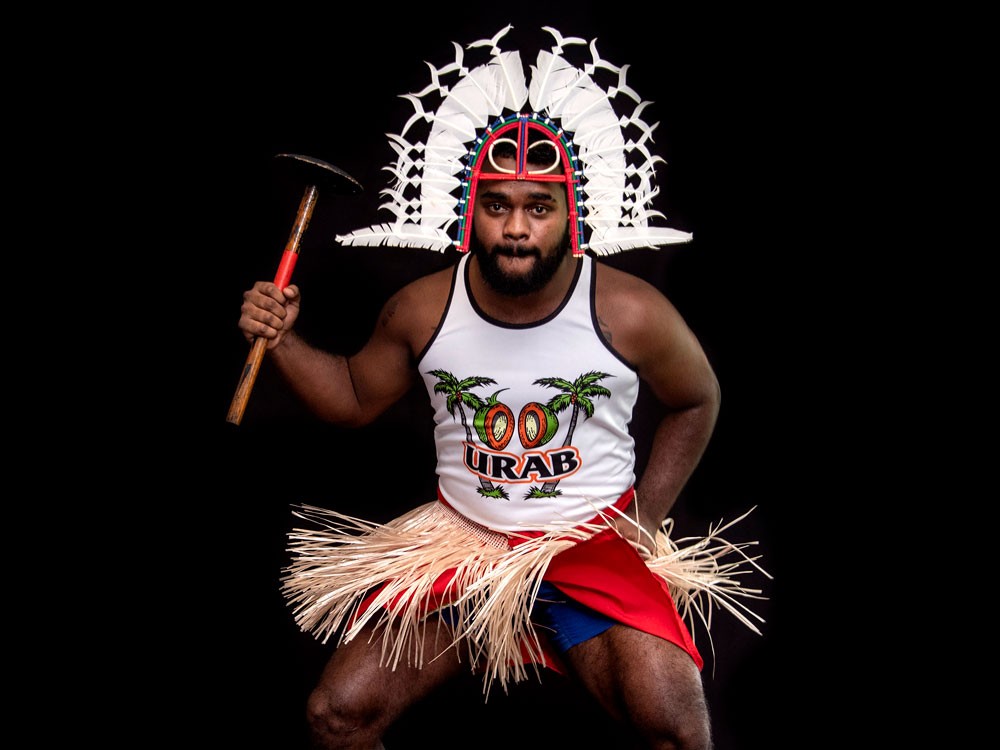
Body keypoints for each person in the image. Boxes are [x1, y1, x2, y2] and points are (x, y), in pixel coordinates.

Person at [237, 27, 764, 750]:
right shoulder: (423, 308)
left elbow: (698, 399)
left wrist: (641, 523)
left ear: (570, 215)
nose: (517, 229)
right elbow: (355, 399)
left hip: (587, 547)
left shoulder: (632, 312)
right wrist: (284, 339)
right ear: (468, 212)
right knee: (336, 714)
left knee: (678, 733)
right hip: (464, 543)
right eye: (497, 206)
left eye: (538, 208)